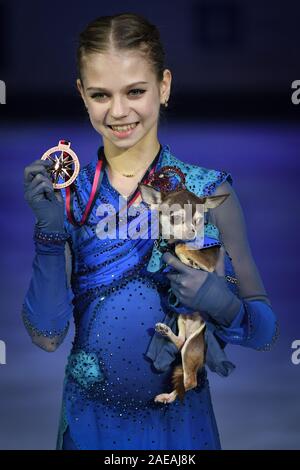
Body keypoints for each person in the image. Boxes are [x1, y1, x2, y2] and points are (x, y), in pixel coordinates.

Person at [22, 13, 278, 450]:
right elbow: (47, 337)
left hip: (183, 434)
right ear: (82, 94)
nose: (119, 111)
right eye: (101, 94)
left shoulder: (208, 191)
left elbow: (264, 332)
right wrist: (49, 236)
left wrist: (224, 305)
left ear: (164, 86)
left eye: (135, 91)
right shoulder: (70, 199)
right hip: (90, 431)